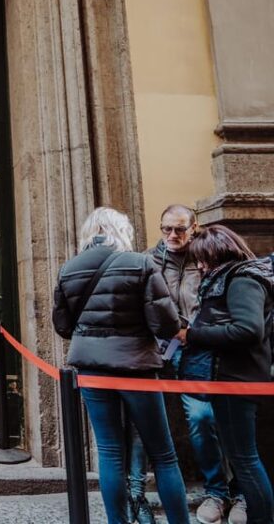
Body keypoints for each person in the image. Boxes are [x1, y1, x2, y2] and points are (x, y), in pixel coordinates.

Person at [52, 207, 189, 524]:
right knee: (164, 454)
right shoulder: (141, 263)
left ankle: (117, 522)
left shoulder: (70, 268)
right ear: (122, 231)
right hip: (136, 366)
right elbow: (165, 323)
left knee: (109, 451)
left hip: (92, 369)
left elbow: (62, 326)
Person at [127, 205, 245, 524]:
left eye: (179, 229)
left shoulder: (207, 258)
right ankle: (135, 495)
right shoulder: (148, 260)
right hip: (159, 349)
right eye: (166, 229)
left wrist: (196, 331)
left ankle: (219, 492)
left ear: (194, 227)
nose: (172, 236)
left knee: (203, 416)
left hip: (200, 347)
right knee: (140, 420)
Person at [179, 225, 274, 524]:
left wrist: (193, 335)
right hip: (234, 378)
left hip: (237, 380)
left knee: (245, 461)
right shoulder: (238, 277)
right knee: (245, 459)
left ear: (215, 253)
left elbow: (247, 330)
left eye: (202, 259)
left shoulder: (243, 279)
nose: (200, 266)